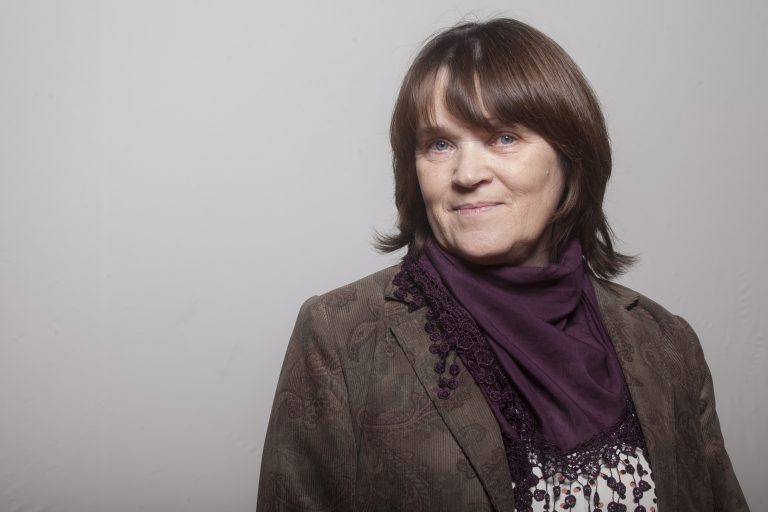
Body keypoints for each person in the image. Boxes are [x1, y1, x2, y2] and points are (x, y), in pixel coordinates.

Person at [256, 18, 748, 512]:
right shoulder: (339, 336)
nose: (467, 174)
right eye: (439, 144)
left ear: (570, 157)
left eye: (504, 138)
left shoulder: (667, 343)